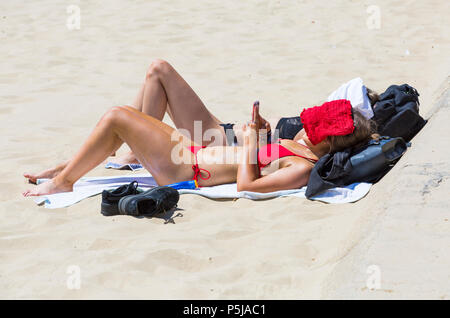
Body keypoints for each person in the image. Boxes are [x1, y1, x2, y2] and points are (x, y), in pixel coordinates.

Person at [22, 87, 375, 197]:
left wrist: (251, 144)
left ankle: (64, 181)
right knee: (124, 114)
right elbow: (265, 154)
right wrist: (263, 132)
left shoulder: (302, 167)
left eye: (313, 128)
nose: (304, 128)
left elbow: (248, 187)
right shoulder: (300, 146)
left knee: (117, 116)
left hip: (186, 167)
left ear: (326, 143)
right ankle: (68, 168)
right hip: (191, 151)